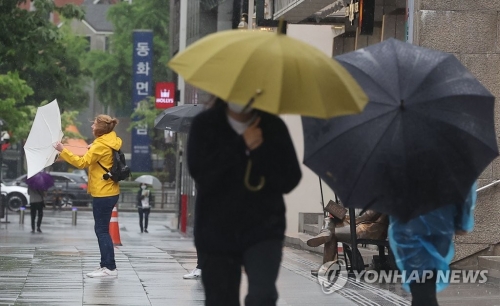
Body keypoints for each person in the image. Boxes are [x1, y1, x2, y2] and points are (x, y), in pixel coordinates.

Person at [187, 98, 302, 306]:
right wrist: (241, 145)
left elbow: (290, 178)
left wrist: (260, 152)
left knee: (263, 296)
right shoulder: (205, 124)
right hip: (217, 230)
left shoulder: (272, 126)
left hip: (263, 228)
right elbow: (202, 174)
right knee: (221, 299)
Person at [54, 114, 122, 278]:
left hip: (103, 192)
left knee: (101, 230)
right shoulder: (111, 140)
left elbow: (81, 162)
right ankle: (106, 264)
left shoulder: (100, 145)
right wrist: (95, 146)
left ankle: (109, 267)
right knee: (102, 229)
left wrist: (63, 151)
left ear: (100, 128)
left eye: (94, 124)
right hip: (110, 190)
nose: (91, 126)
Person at [388, 183, 477, 306]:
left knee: (421, 285)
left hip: (408, 227)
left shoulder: (399, 166)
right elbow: (465, 189)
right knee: (425, 284)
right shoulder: (449, 165)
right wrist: (462, 221)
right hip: (440, 223)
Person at [307, 210, 389, 265]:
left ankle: (328, 266)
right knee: (328, 219)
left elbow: (368, 217)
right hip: (359, 224)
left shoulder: (380, 194)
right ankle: (326, 233)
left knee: (333, 233)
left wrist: (346, 218)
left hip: (370, 229)